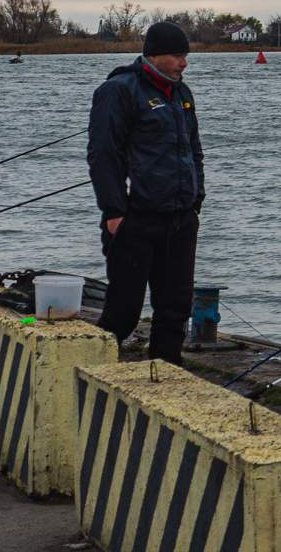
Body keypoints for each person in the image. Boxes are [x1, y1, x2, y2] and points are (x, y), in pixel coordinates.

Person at [87, 20, 205, 363]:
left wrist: (196, 201)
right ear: (153, 55)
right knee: (123, 313)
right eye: (177, 55)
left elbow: (194, 150)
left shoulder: (181, 92)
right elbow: (103, 155)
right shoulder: (119, 90)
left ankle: (166, 378)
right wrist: (114, 212)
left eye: (185, 55)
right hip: (136, 220)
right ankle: (94, 370)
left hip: (181, 219)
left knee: (175, 310)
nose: (184, 63)